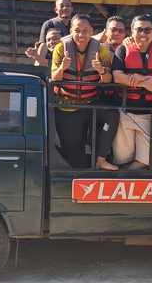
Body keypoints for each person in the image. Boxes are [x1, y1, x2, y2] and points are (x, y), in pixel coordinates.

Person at [51, 14, 118, 170]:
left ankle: (101, 159)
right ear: (71, 31)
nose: (81, 35)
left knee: (112, 115)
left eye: (85, 31)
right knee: (75, 156)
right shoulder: (61, 48)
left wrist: (101, 70)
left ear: (91, 31)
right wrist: (62, 68)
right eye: (77, 30)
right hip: (66, 106)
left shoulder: (101, 51)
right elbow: (54, 78)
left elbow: (108, 80)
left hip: (90, 103)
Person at [111, 14, 152, 170]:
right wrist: (146, 82)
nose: (143, 34)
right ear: (132, 31)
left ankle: (122, 180)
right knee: (122, 158)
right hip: (125, 111)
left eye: (147, 30)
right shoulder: (123, 49)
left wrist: (146, 80)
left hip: (149, 113)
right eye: (139, 29)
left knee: (145, 161)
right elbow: (117, 76)